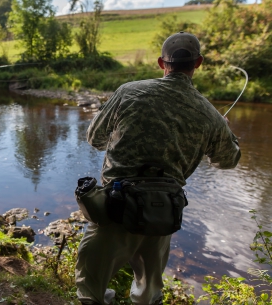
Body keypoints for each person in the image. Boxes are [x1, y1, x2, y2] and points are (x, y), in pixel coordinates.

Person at [75, 31, 241, 305]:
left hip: (114, 210)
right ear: (197, 63)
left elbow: (94, 139)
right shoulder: (209, 113)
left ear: (161, 63)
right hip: (162, 215)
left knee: (90, 294)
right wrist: (225, 130)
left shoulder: (129, 91)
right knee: (148, 297)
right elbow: (228, 160)